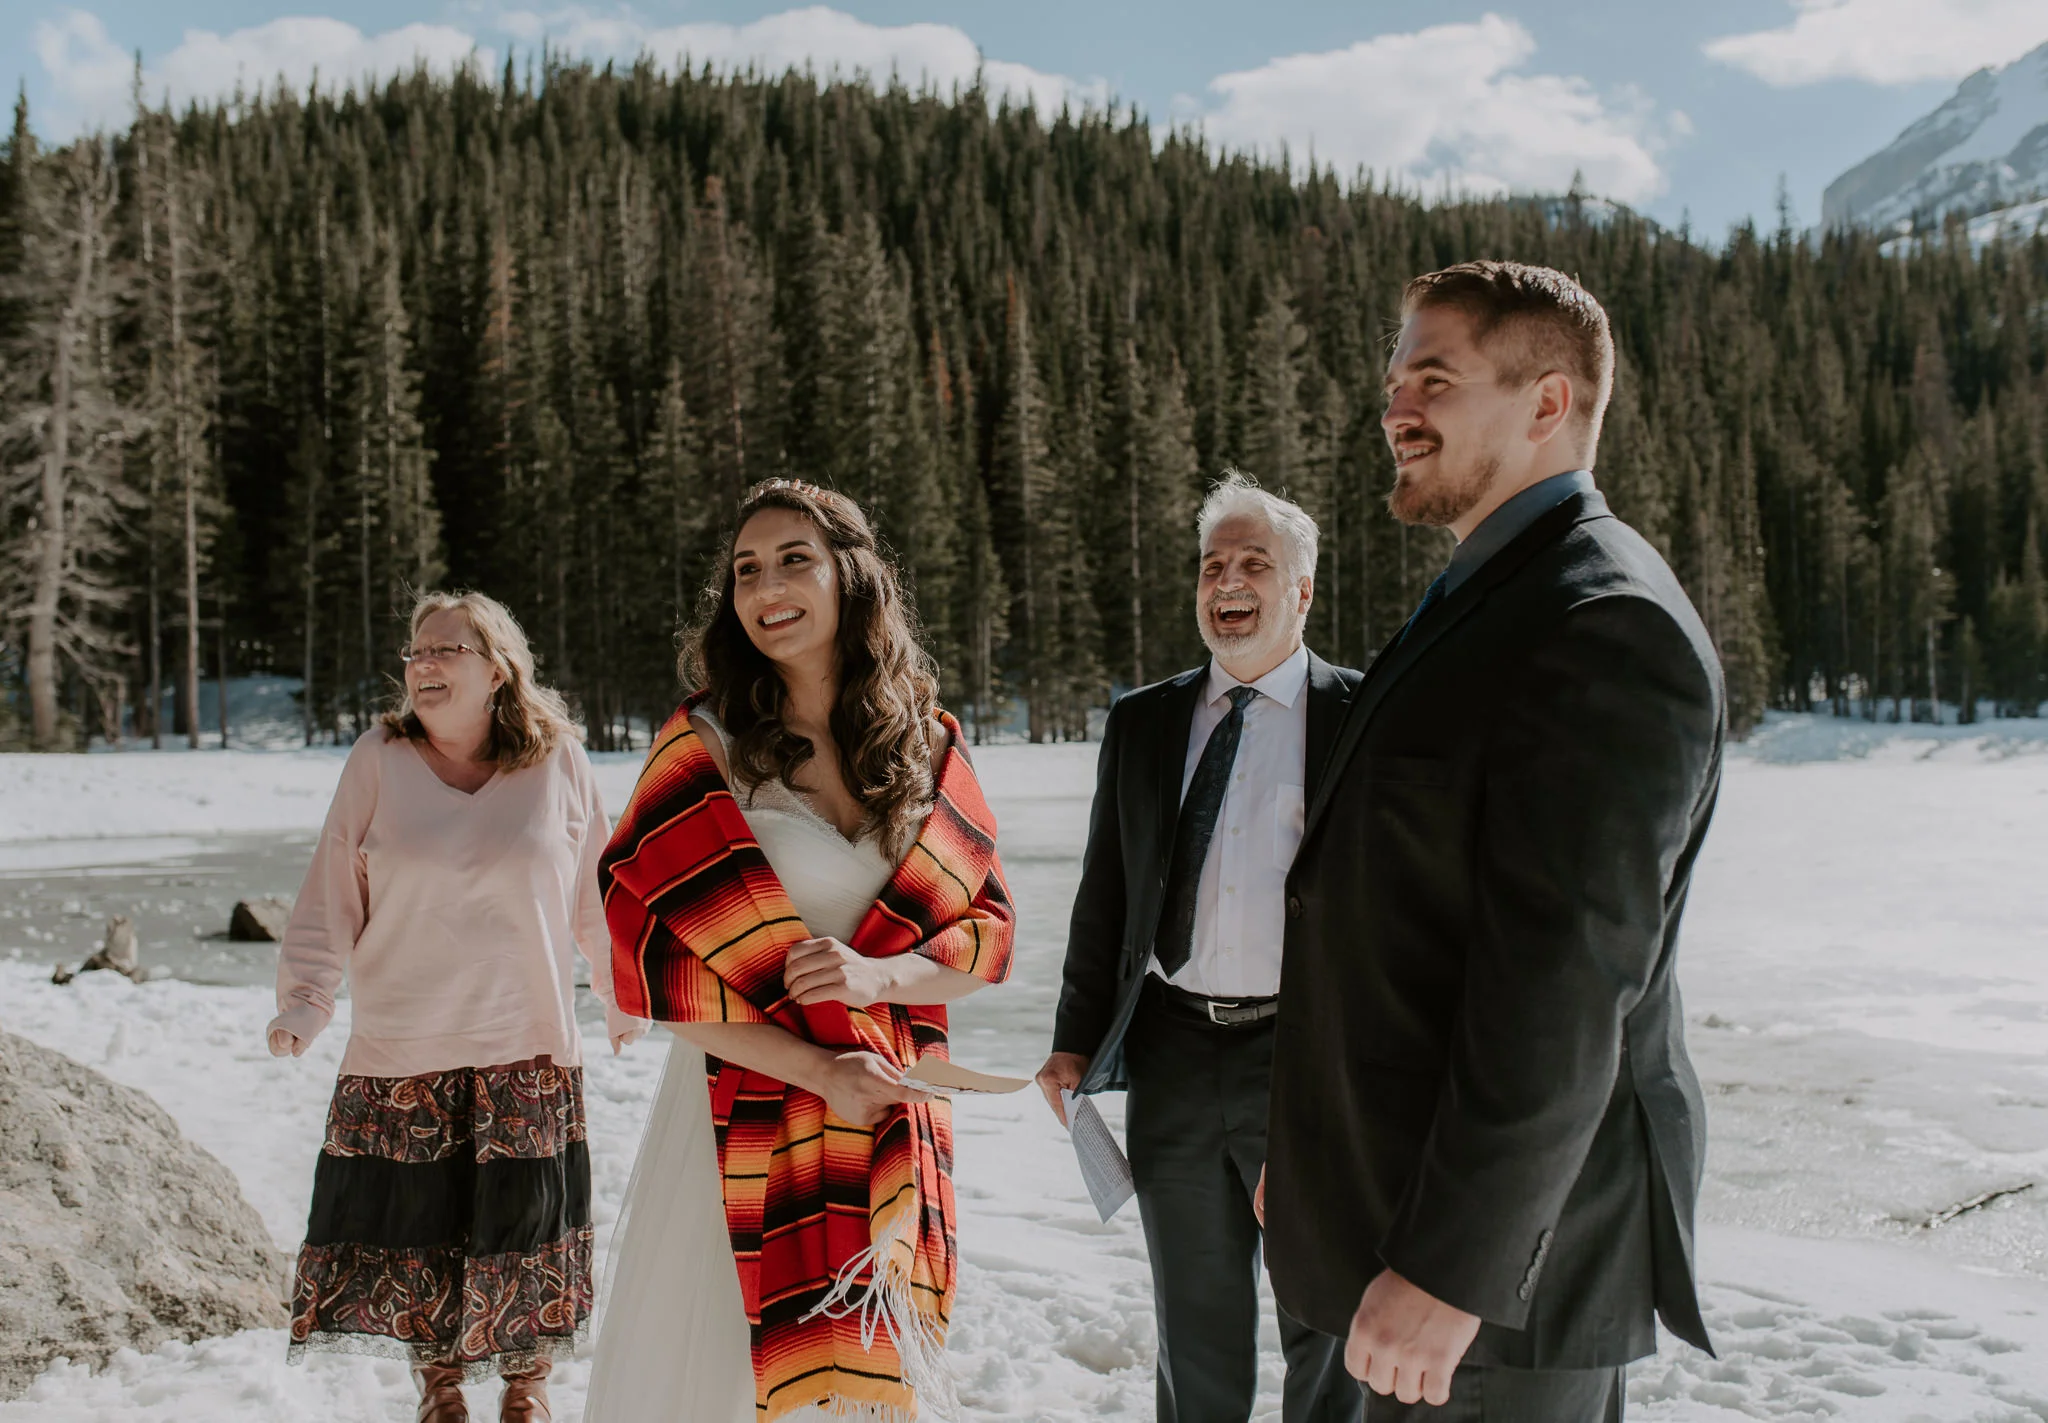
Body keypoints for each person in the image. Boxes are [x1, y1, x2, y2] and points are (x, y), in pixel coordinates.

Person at [1261, 261, 1725, 1421]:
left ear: (1545, 404)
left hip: (1495, 1290)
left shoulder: (1601, 622)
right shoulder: (1493, 591)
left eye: (1434, 377)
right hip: (1395, 1224)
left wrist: (1450, 1268)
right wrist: (1320, 1158)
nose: (1394, 408)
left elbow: (1563, 983)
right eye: (1391, 379)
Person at [588, 478, 1016, 1423]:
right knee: (727, 1383)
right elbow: (653, 961)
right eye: (746, 568)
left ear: (850, 576)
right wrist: (823, 1069)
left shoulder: (927, 744)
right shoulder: (704, 745)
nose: (765, 586)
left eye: (793, 559)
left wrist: (881, 976)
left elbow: (984, 935)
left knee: (862, 1385)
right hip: (741, 1115)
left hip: (888, 1112)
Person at [269, 590, 648, 1423]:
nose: (424, 664)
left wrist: (625, 991)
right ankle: (440, 1391)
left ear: (499, 669)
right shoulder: (378, 758)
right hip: (405, 1040)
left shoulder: (558, 761)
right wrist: (306, 997)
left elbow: (598, 894)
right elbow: (333, 889)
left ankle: (527, 1393)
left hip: (530, 1038)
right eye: (415, 652)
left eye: (446, 650)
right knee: (419, 1232)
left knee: (527, 1232)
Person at [1035, 472, 1363, 1423]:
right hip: (1173, 1057)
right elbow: (1106, 897)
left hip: (1304, 1062)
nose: (1228, 580)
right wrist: (1073, 1037)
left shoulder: (1362, 717)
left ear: (1302, 589)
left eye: (1255, 563)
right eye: (1213, 564)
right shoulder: (1144, 721)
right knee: (1194, 1331)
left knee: (1328, 1327)